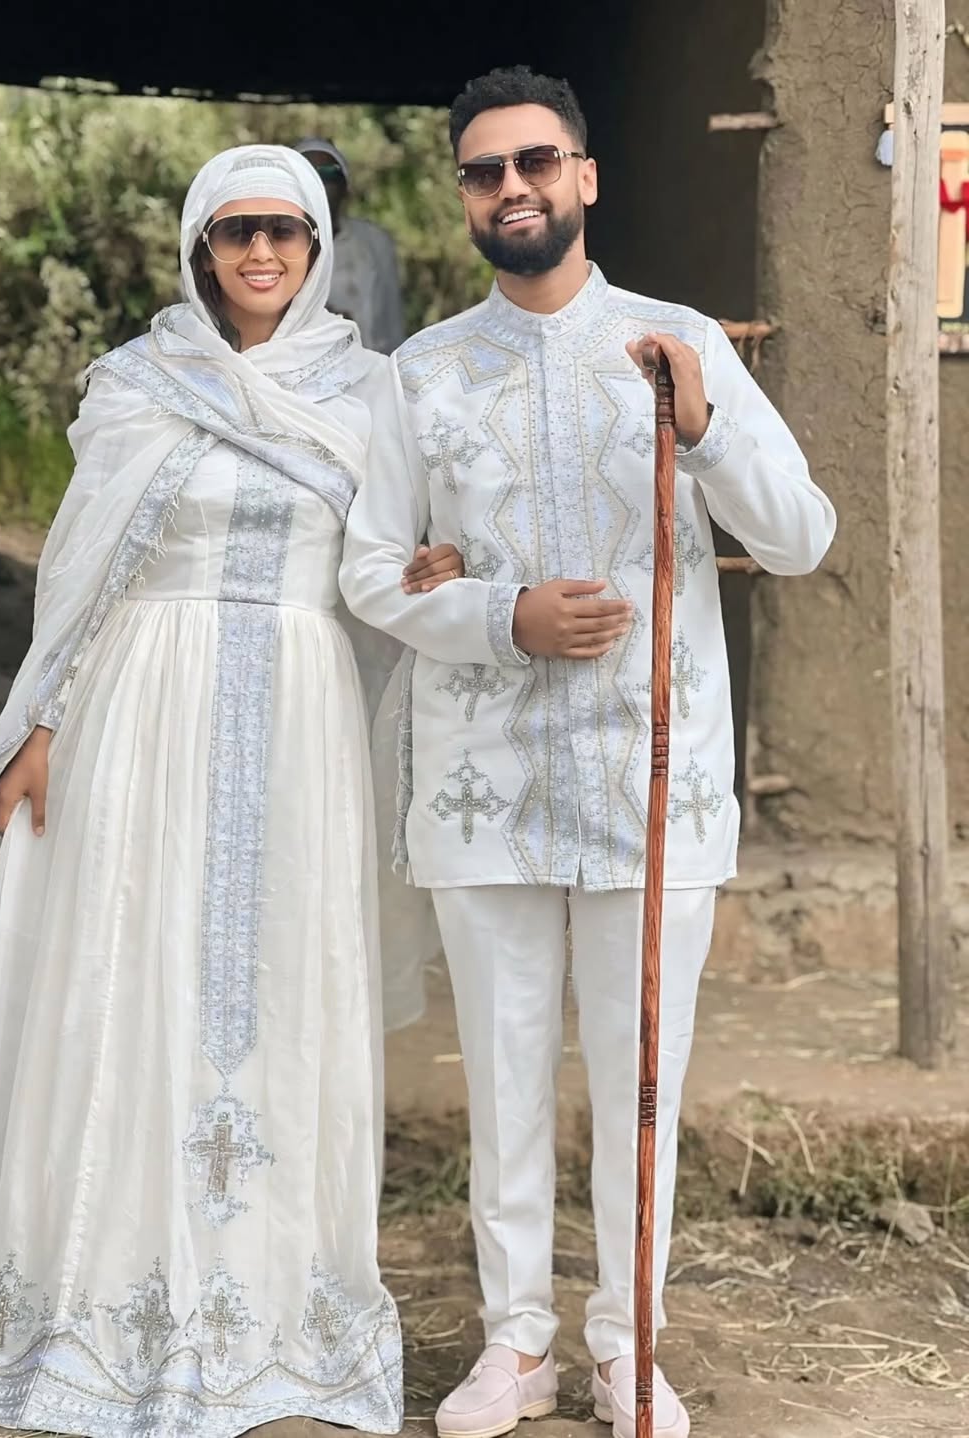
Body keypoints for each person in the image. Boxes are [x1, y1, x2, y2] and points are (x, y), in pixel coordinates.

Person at [0, 144, 461, 1438]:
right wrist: (39, 722)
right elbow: (81, 575)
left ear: (318, 249)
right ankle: (100, 1282)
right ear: (201, 247)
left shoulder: (371, 393)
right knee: (127, 970)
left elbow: (374, 568)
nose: (261, 253)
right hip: (139, 709)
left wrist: (426, 566)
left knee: (269, 985)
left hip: (300, 722)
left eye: (285, 232)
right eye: (235, 230)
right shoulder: (136, 384)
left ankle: (263, 1299)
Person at [340, 66, 837, 1438]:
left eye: (538, 163)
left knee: (640, 1081)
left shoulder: (680, 345)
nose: (515, 189)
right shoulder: (420, 372)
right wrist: (503, 614)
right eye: (488, 170)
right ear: (463, 195)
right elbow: (370, 572)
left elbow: (801, 536)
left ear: (586, 179)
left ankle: (628, 1345)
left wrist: (704, 427)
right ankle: (517, 1346)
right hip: (483, 784)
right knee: (501, 1080)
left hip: (651, 778)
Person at [295, 137, 406, 355]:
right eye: (307, 173)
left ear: (346, 186)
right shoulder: (268, 246)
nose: (318, 182)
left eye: (328, 173)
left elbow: (392, 320)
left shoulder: (374, 242)